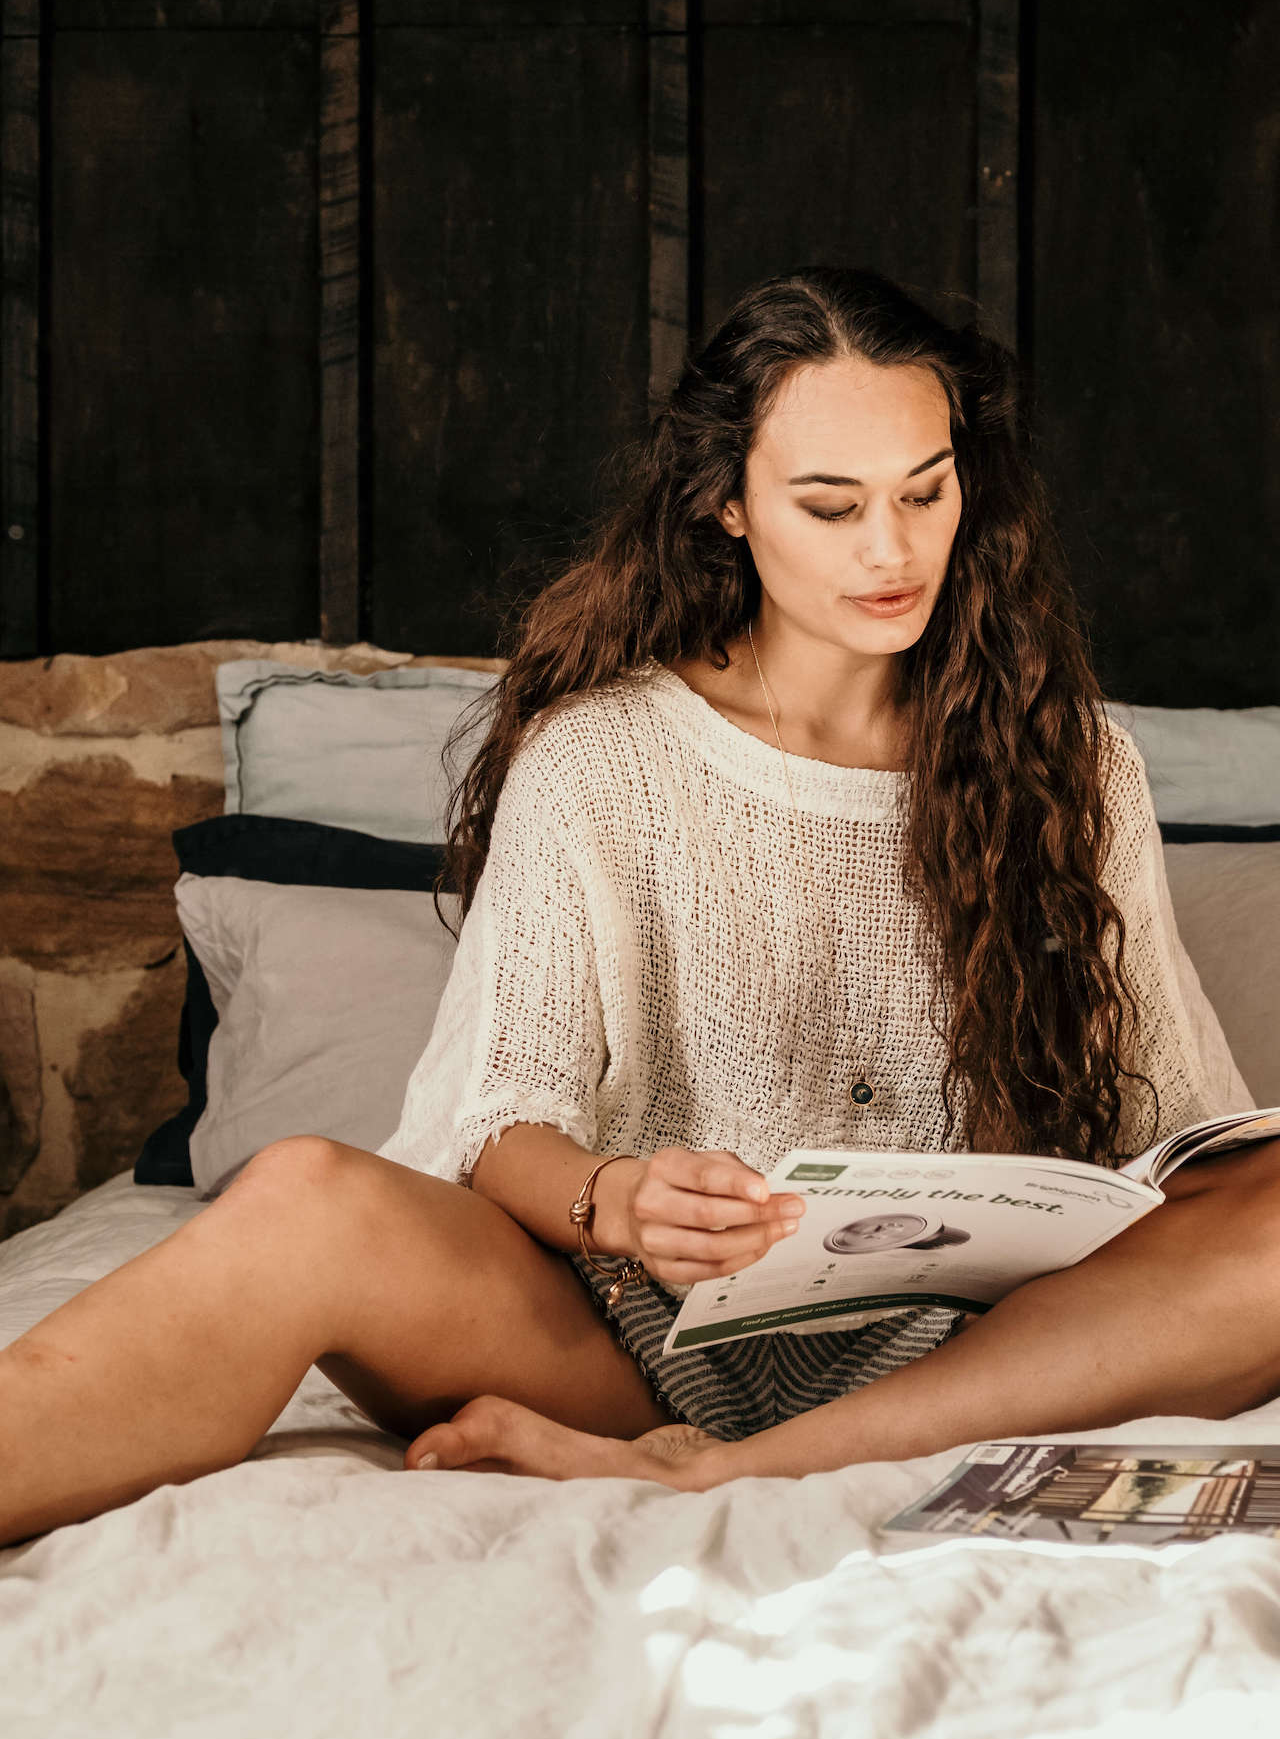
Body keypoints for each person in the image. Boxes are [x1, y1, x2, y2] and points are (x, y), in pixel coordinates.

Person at [2, 266, 1275, 1548]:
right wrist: (617, 1200)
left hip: (997, 1348)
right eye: (828, 506)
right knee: (298, 1201)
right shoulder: (602, 758)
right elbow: (499, 1121)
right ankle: (714, 1447)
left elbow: (1180, 1128)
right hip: (625, 1349)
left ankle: (724, 1475)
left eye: (924, 492)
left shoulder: (1075, 760)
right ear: (725, 504)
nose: (890, 551)